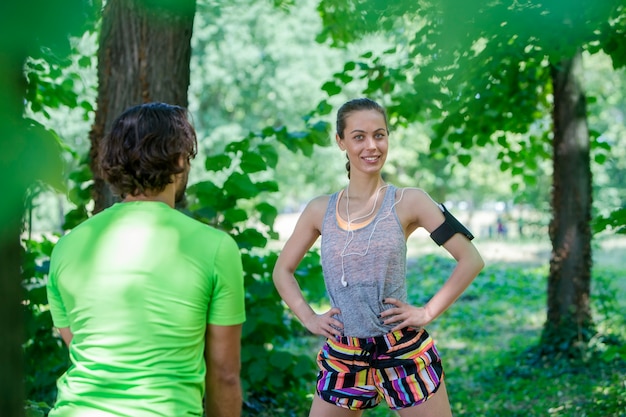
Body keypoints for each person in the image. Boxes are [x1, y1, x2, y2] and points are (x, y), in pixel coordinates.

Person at [273, 98, 484, 417]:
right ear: (340, 142)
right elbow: (282, 271)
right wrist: (310, 318)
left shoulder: (409, 201)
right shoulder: (320, 210)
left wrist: (427, 312)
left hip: (402, 351)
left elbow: (470, 259)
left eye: (379, 135)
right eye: (359, 136)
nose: (371, 146)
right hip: (344, 354)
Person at [46, 102, 246, 417]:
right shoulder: (217, 248)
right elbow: (224, 374)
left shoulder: (67, 247)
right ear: (180, 161)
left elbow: (83, 349)